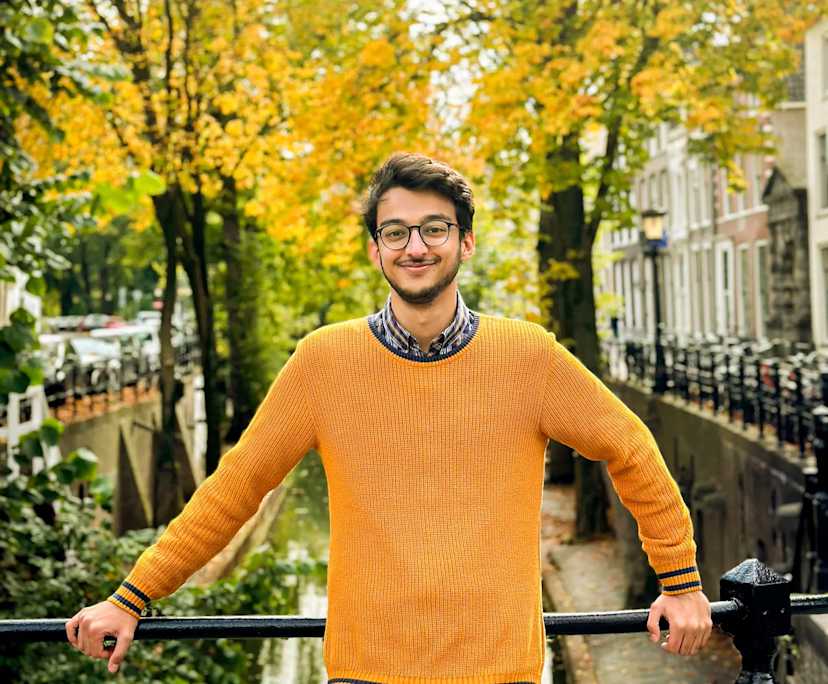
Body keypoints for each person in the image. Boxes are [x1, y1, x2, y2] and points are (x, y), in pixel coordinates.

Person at [67, 152, 712, 682]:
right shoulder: (323, 362)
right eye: (396, 232)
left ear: (466, 242)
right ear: (376, 251)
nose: (415, 246)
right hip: (365, 671)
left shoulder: (528, 356)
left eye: (435, 228)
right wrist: (133, 596)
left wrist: (680, 581)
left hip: (499, 671)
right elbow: (237, 487)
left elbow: (630, 446)